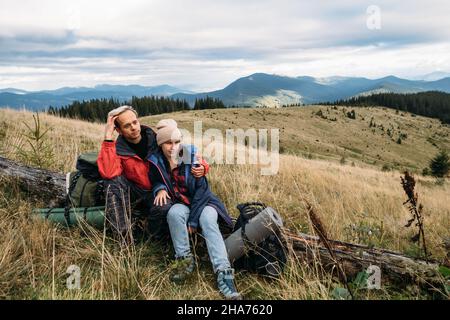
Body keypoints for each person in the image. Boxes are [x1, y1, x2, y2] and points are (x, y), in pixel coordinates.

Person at [149, 119, 241, 300]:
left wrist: (192, 221)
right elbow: (155, 179)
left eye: (177, 142)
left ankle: (223, 271)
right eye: (168, 143)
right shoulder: (156, 162)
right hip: (183, 204)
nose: (173, 147)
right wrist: (159, 188)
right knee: (174, 212)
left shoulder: (192, 158)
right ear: (160, 144)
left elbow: (202, 191)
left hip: (204, 203)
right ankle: (184, 260)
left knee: (206, 219)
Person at [97, 106, 209, 245]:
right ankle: (124, 239)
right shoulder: (118, 149)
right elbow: (108, 173)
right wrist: (108, 137)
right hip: (135, 191)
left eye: (135, 122)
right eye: (127, 126)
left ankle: (152, 237)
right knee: (112, 182)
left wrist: (203, 165)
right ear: (118, 130)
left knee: (164, 206)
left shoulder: (156, 138)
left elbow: (182, 150)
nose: (133, 127)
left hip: (159, 188)